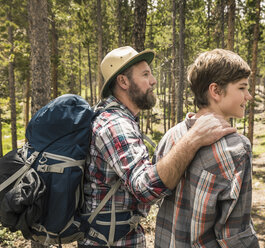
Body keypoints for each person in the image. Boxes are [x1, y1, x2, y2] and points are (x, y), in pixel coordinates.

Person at [78, 46, 236, 248]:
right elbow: (145, 189)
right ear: (123, 81)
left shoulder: (115, 118)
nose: (153, 81)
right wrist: (193, 138)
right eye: (145, 74)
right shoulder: (115, 125)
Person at [154, 49, 260, 247]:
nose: (249, 96)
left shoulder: (172, 135)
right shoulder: (236, 148)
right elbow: (235, 233)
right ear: (216, 91)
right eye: (242, 88)